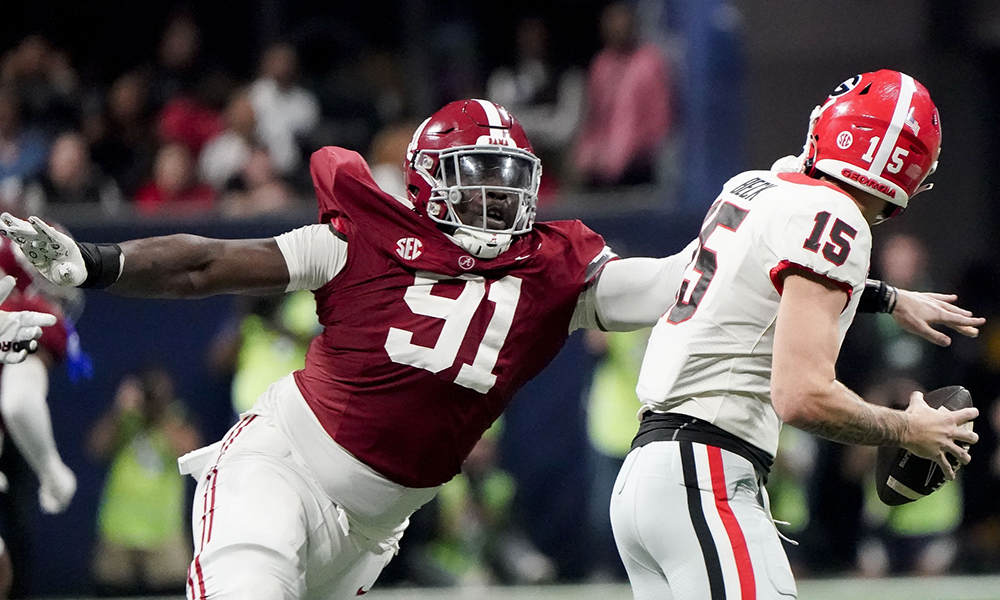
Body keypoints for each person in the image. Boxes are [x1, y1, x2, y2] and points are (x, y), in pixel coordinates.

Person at [0, 98, 983, 599]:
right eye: (471, 176)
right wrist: (95, 260)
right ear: (427, 179)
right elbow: (211, 265)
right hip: (281, 465)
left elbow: (706, 272)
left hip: (379, 523)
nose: (491, 197)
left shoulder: (554, 270)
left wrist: (874, 286)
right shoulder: (359, 233)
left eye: (504, 177)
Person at [608, 70, 981, 599]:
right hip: (705, 475)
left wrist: (888, 297)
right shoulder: (838, 221)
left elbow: (764, 271)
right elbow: (801, 396)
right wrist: (906, 429)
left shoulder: (758, 186)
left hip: (651, 476)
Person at [86, 365, 201, 596]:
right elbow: (95, 448)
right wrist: (119, 411)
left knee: (173, 592)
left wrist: (159, 413)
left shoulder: (176, 418)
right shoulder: (125, 418)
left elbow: (190, 451)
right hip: (119, 528)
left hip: (163, 530)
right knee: (110, 590)